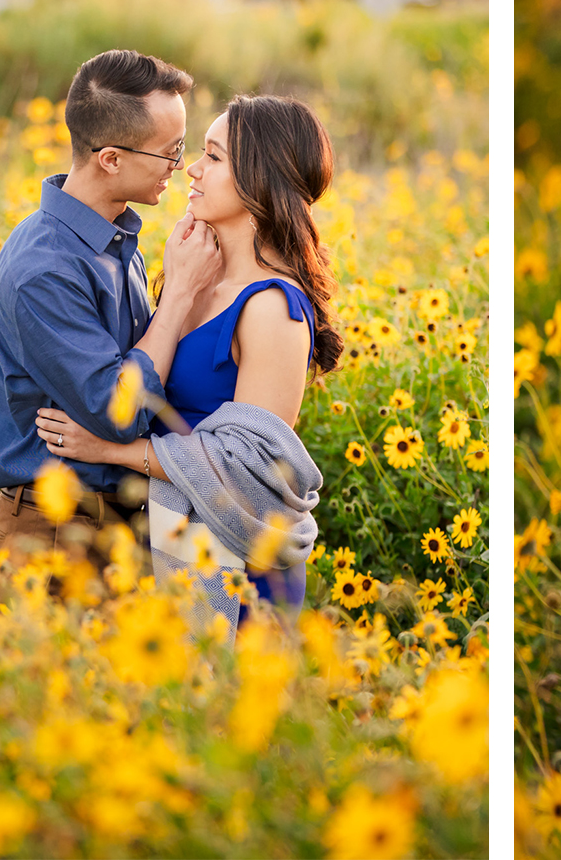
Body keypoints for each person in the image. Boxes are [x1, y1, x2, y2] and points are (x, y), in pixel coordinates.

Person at [35, 95, 345, 631]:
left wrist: (110, 449)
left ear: (258, 181)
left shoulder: (272, 307)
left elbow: (247, 469)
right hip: (176, 539)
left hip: (239, 562)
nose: (191, 169)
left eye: (214, 157)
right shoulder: (197, 275)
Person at [0, 49, 223, 598]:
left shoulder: (115, 241)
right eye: (170, 151)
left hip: (111, 524)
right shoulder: (43, 269)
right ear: (110, 158)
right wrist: (180, 293)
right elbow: (122, 410)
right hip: (52, 535)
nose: (180, 167)